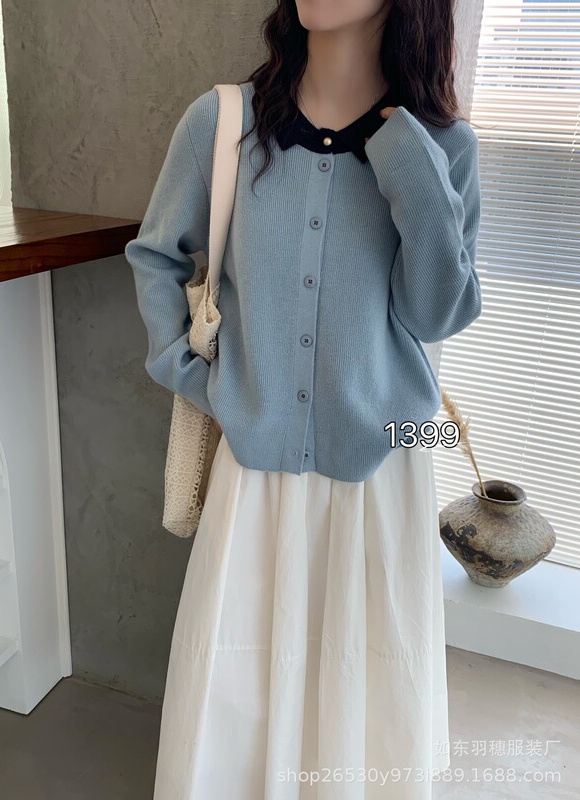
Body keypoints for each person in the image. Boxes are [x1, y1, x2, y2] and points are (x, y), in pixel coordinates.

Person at [124, 0, 482, 797]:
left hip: (383, 473)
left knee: (362, 687)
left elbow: (437, 314)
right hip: (252, 468)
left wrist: (411, 161)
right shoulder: (223, 125)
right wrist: (194, 375)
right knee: (237, 694)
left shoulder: (442, 147)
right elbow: (155, 256)